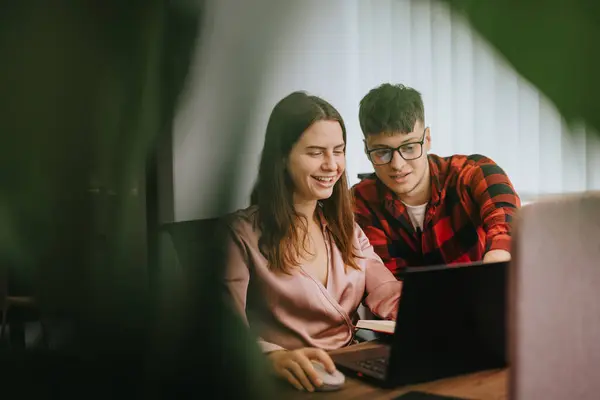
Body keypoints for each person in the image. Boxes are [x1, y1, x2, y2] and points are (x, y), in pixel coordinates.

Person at [223, 91, 402, 392]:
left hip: (348, 372)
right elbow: (223, 328)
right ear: (281, 157)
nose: (332, 165)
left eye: (338, 151)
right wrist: (271, 357)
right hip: (284, 381)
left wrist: (433, 314)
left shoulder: (347, 229)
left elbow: (387, 291)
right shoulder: (240, 234)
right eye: (316, 152)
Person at [353, 83, 520, 277]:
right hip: (409, 306)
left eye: (409, 147)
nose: (397, 164)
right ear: (367, 150)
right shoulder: (361, 202)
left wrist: (497, 259)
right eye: (382, 152)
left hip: (482, 298)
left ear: (428, 139)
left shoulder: (472, 173)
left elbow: (505, 217)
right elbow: (388, 283)